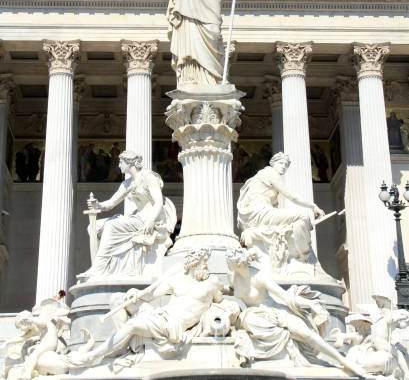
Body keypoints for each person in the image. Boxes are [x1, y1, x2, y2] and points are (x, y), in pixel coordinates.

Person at [226, 247, 367, 377]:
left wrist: (310, 304)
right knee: (250, 320)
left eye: (235, 264)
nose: (233, 267)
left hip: (274, 309)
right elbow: (230, 290)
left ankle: (345, 362)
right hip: (252, 314)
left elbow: (284, 296)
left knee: (306, 334)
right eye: (231, 264)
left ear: (242, 262)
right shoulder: (233, 276)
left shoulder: (259, 276)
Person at [70, 249, 224, 367]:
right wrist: (137, 294)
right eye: (204, 262)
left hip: (172, 326)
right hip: (161, 315)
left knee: (132, 325)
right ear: (194, 264)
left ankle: (93, 356)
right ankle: (121, 348)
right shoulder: (177, 279)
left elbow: (221, 303)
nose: (206, 266)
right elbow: (152, 296)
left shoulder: (212, 283)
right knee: (118, 298)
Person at [77, 151, 176, 280]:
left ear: (130, 163)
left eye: (121, 162)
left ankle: (98, 268)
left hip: (148, 220)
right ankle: (100, 267)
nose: (118, 165)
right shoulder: (127, 183)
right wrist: (98, 205)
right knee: (94, 227)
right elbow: (111, 203)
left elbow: (158, 202)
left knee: (112, 226)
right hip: (136, 218)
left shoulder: (148, 177)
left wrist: (151, 220)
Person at [237, 152, 325, 274]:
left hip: (257, 214)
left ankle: (299, 255)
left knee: (293, 222)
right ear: (273, 163)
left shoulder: (261, 175)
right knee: (302, 216)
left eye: (286, 165)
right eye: (280, 163)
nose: (283, 166)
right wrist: (313, 206)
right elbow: (291, 196)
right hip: (261, 213)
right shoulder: (270, 173)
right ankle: (304, 258)